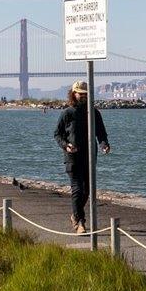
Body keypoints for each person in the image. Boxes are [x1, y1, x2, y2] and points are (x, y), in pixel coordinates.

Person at [53, 81, 110, 234]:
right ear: (73, 94)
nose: (83, 96)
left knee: (87, 191)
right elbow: (57, 134)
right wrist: (66, 145)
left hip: (90, 157)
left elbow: (101, 133)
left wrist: (104, 144)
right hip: (72, 157)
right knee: (77, 189)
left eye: (86, 94)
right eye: (80, 93)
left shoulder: (94, 112)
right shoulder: (67, 113)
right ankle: (80, 222)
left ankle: (75, 215)